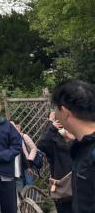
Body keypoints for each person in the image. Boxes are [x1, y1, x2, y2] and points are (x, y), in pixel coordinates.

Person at [51, 79, 95, 213]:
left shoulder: (91, 153)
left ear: (64, 112)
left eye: (55, 108)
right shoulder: (83, 147)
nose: (54, 114)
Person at [36, 111, 74, 213]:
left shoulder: (81, 139)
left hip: (82, 189)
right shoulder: (54, 142)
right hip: (63, 190)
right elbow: (41, 145)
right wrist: (52, 126)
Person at [10, 122, 37, 193]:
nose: (15, 128)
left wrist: (29, 159)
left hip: (27, 162)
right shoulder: (10, 138)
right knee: (20, 181)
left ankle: (30, 198)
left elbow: (33, 148)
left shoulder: (23, 136)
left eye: (16, 126)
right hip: (18, 164)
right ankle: (22, 198)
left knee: (29, 182)